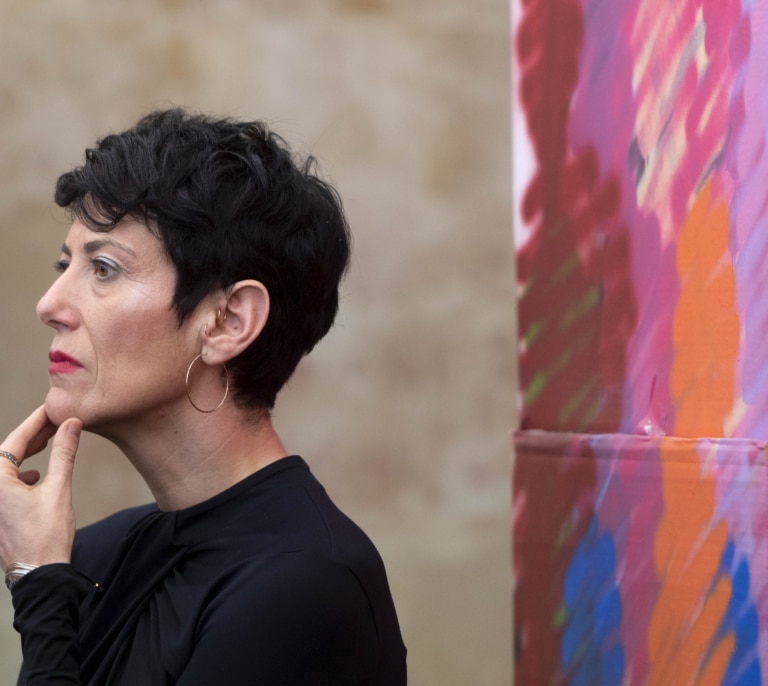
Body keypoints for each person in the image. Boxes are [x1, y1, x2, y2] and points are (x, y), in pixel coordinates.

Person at [0, 108, 407, 685]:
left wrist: (36, 582)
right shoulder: (97, 555)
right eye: (65, 265)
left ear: (227, 322)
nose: (49, 305)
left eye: (104, 269)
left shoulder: (306, 587)